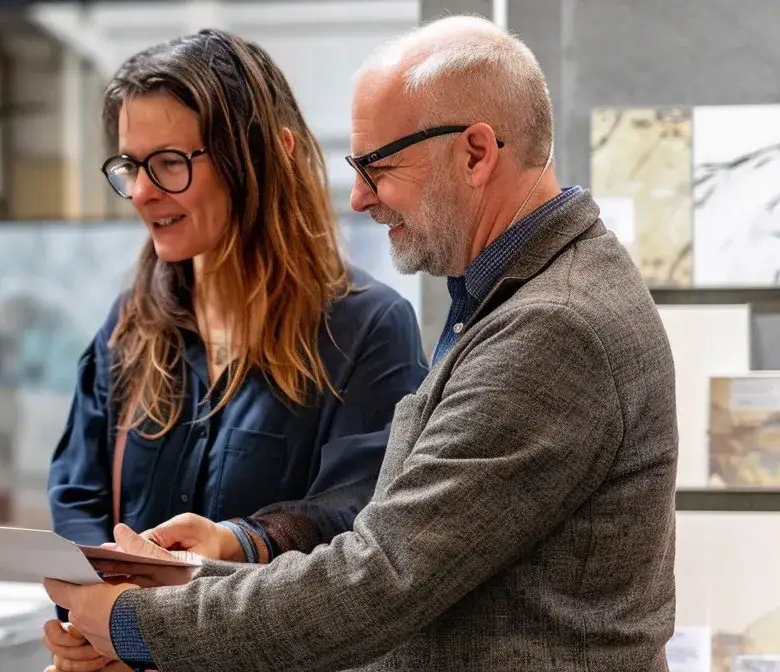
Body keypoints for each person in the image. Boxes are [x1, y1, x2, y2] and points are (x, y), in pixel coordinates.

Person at [44, 15, 678, 672]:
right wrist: (130, 605)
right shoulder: (513, 302)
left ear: (476, 152)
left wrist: (132, 619)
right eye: (130, 167)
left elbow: (378, 577)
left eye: (379, 166)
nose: (362, 198)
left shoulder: (551, 327)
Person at [46, 29, 426, 585]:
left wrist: (239, 542)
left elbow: (362, 518)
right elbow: (78, 499)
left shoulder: (365, 328)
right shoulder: (131, 326)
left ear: (267, 156)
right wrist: (90, 617)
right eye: (131, 165)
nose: (145, 192)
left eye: (170, 162)